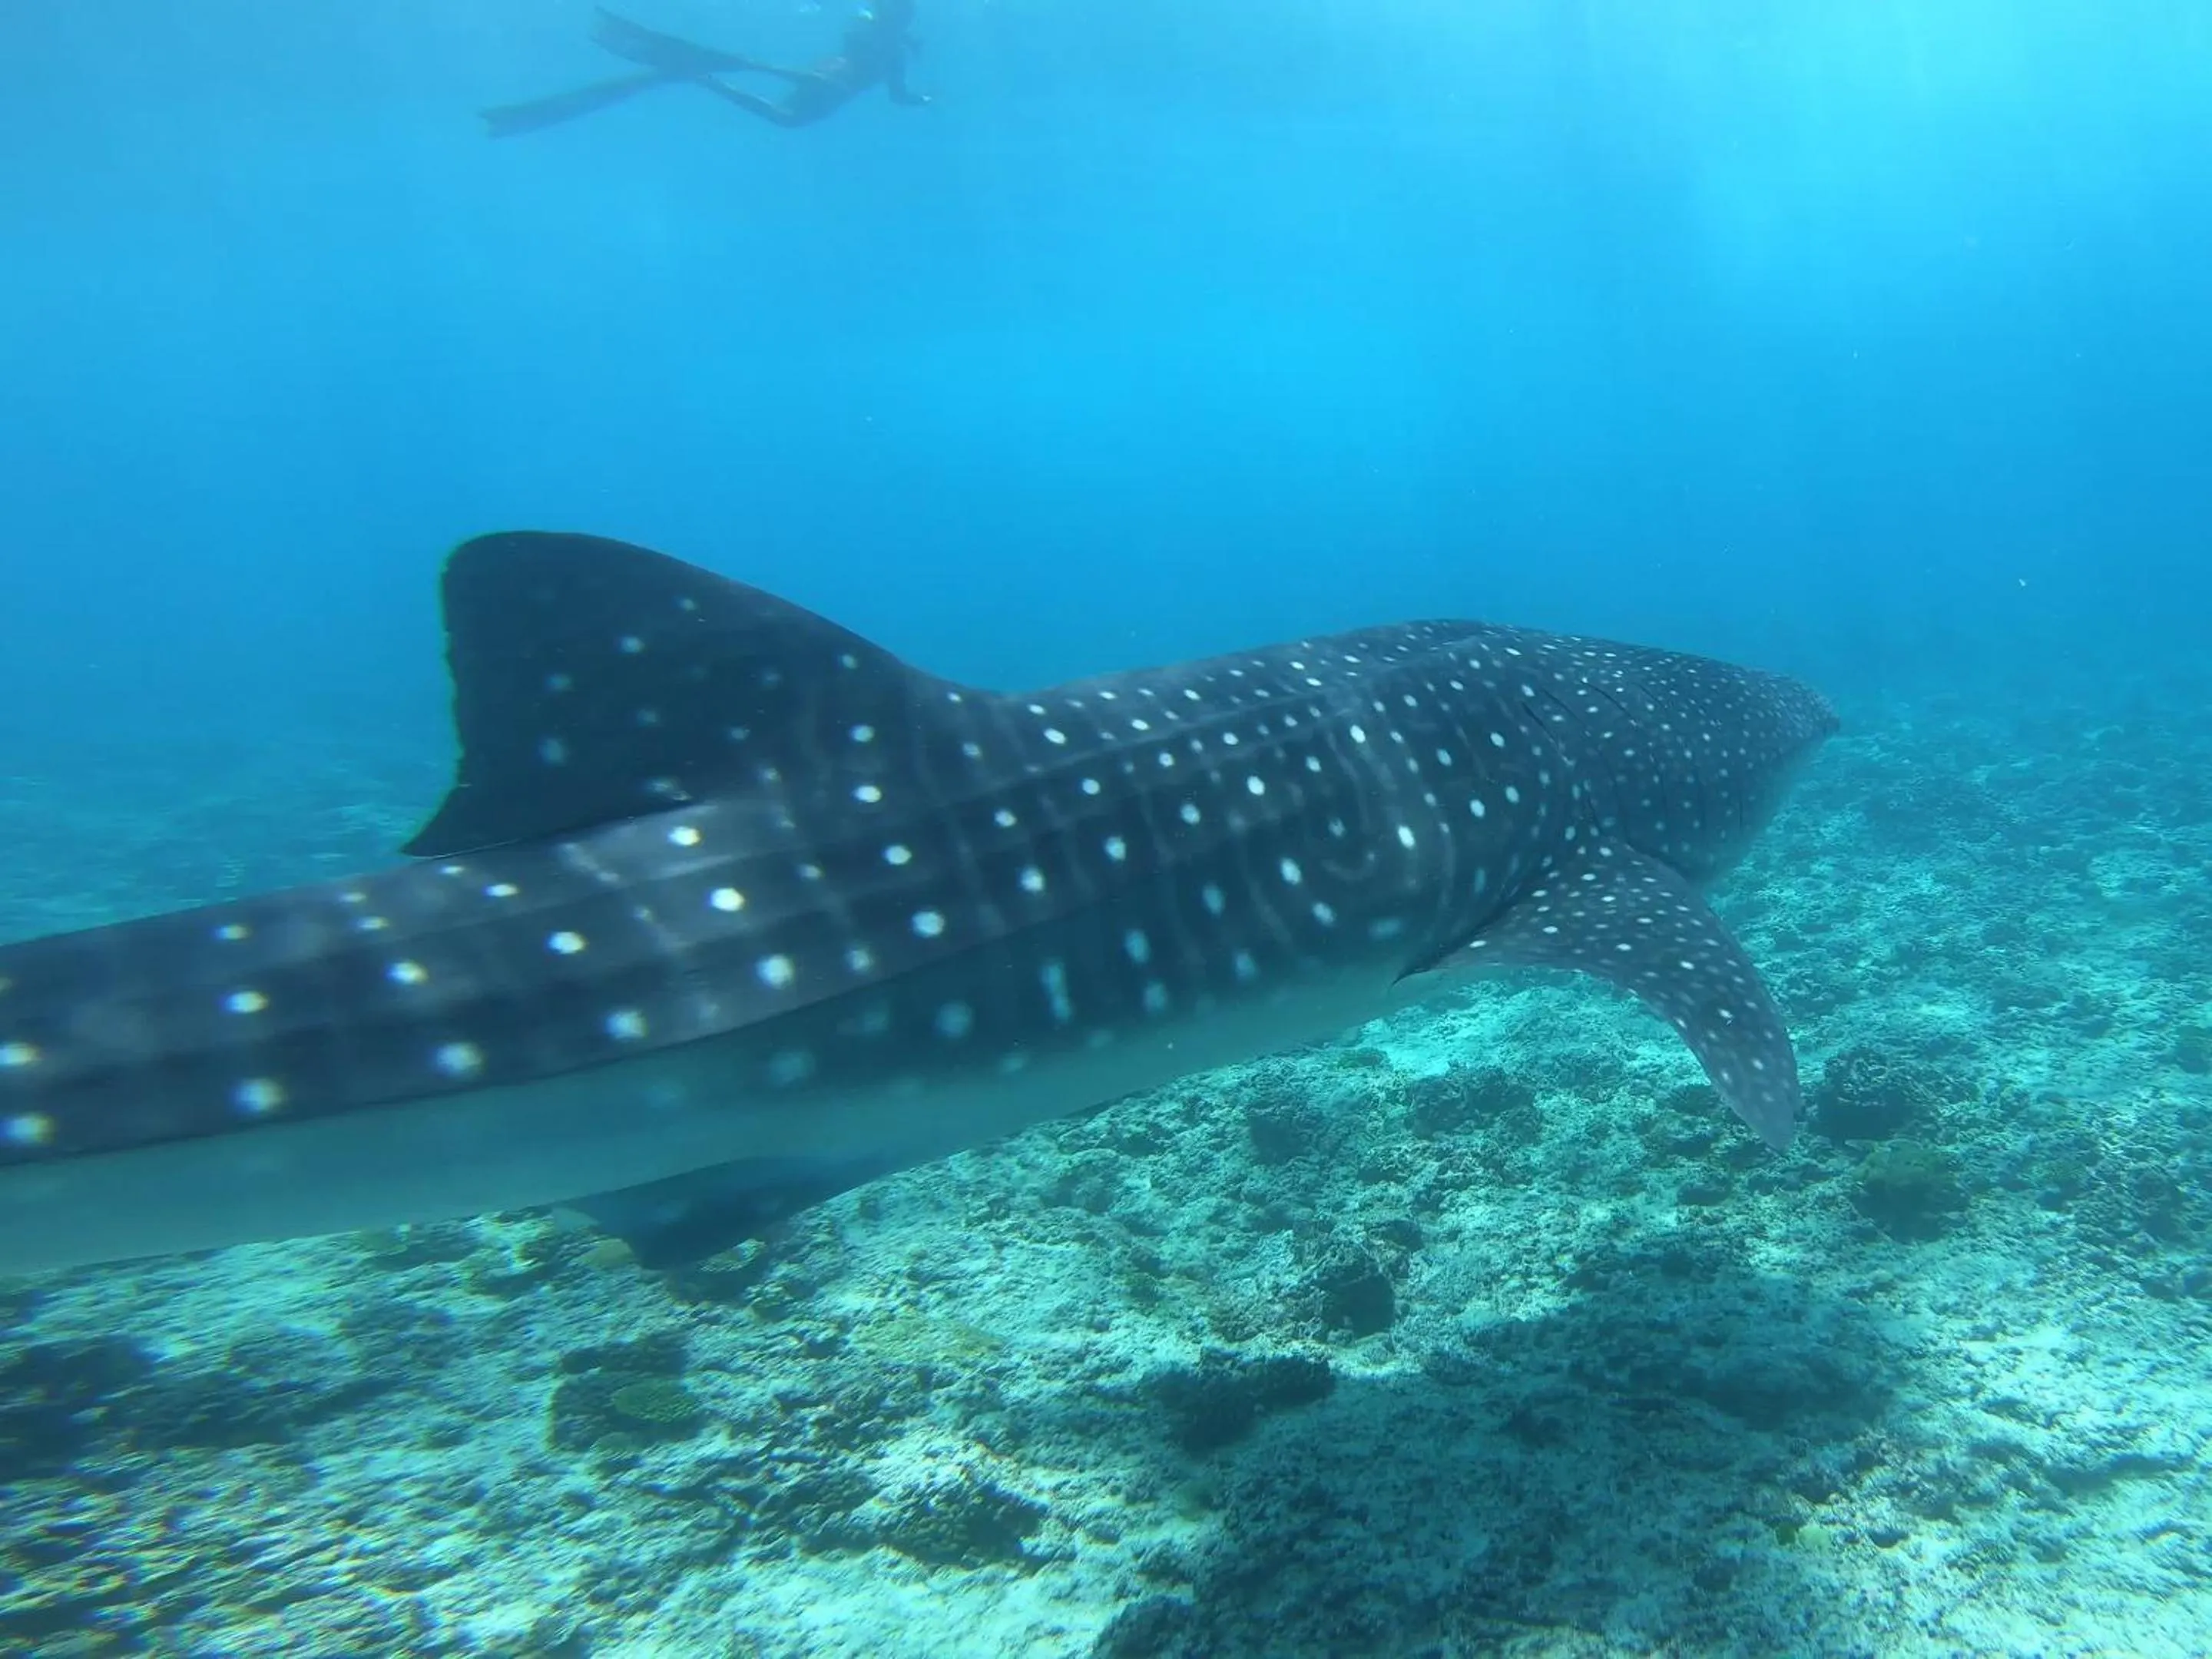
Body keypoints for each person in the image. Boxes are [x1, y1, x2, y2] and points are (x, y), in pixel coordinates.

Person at [481, 5, 929, 139]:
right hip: (824, 80)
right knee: (807, 96)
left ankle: (707, 77)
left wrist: (917, 99)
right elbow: (871, 49)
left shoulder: (892, 50)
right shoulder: (879, 37)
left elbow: (897, 93)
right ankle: (732, 72)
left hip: (823, 86)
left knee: (789, 117)